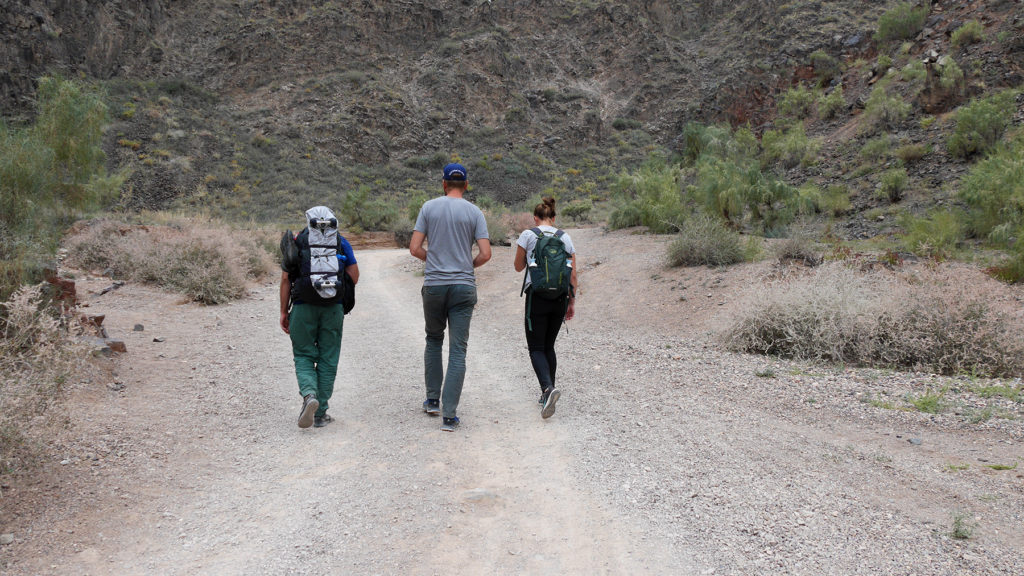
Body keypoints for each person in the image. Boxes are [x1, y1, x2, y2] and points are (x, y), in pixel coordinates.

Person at [409, 163, 491, 432]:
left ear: (444, 184)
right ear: (466, 185)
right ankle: (449, 416)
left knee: (434, 339)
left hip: (434, 285)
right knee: (458, 350)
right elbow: (486, 253)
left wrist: (433, 261)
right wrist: (467, 267)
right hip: (463, 287)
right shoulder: (475, 212)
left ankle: (432, 401)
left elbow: (414, 248)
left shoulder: (428, 208)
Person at [280, 206, 359, 429]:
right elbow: (354, 275)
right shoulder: (341, 242)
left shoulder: (297, 242)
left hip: (303, 307)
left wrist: (283, 311)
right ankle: (321, 413)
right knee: (328, 357)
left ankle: (309, 395)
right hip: (333, 308)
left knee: (303, 354)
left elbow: (286, 279)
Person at [513, 197, 577, 419]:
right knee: (549, 346)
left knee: (536, 347)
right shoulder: (565, 237)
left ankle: (548, 390)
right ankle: (548, 390)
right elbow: (573, 274)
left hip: (537, 297)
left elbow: (518, 266)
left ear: (535, 218)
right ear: (554, 218)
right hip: (560, 297)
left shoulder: (529, 235)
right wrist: (572, 301)